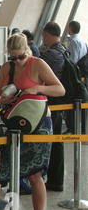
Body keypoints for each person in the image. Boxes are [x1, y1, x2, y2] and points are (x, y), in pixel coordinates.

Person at [0, 33, 65, 210]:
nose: (18, 61)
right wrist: (1, 99)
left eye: (21, 57)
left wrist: (38, 89)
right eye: (13, 58)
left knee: (35, 174)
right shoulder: (7, 68)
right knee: (1, 170)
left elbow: (60, 89)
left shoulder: (37, 64)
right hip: (15, 123)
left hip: (38, 124)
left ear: (27, 51)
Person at [39, 22, 67, 192]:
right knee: (58, 141)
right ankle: (56, 179)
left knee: (52, 141)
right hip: (61, 102)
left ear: (47, 35)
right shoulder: (64, 50)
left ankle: (51, 178)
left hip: (51, 102)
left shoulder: (50, 55)